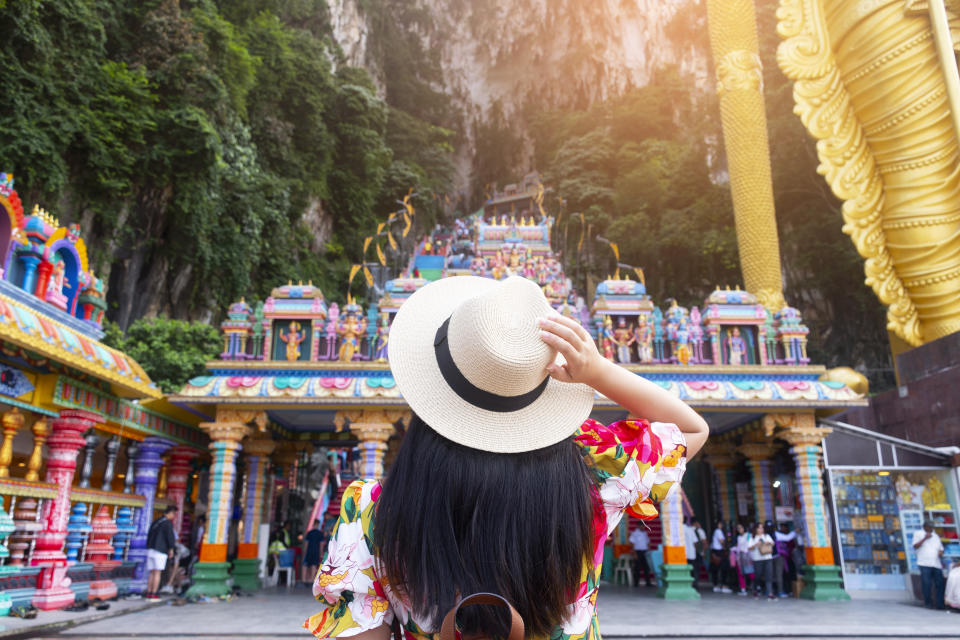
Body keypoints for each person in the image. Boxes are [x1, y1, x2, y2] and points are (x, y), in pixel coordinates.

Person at [304, 275, 709, 640]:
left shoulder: (372, 511)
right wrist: (598, 371)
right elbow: (692, 429)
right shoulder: (596, 480)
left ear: (431, 393)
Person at [145, 505, 177, 600]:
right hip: (160, 550)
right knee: (157, 572)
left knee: (152, 572)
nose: (174, 516)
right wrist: (171, 549)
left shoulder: (156, 522)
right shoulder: (167, 523)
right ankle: (154, 593)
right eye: (174, 514)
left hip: (150, 549)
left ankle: (148, 592)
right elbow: (170, 537)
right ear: (171, 513)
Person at [913, 520, 946, 609]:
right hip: (924, 562)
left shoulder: (935, 536)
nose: (931, 528)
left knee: (939, 584)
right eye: (929, 527)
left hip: (936, 563)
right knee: (926, 583)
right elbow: (915, 546)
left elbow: (941, 548)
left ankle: (940, 604)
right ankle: (928, 603)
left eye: (932, 527)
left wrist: (941, 552)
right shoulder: (918, 533)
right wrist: (925, 538)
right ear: (925, 526)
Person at [748, 522, 776, 600]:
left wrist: (768, 542)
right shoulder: (752, 537)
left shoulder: (766, 536)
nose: (761, 529)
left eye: (762, 528)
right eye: (759, 528)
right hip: (757, 559)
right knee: (758, 575)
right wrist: (756, 544)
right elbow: (749, 548)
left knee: (769, 575)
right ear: (755, 529)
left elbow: (773, 543)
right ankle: (755, 589)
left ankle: (770, 593)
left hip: (768, 557)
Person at [775, 523, 797, 597]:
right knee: (783, 575)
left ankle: (789, 590)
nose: (782, 529)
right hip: (782, 558)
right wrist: (795, 531)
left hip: (788, 558)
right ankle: (785, 590)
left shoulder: (779, 535)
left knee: (786, 574)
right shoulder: (777, 535)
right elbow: (788, 538)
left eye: (784, 527)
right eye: (781, 527)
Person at [710, 522, 731, 593]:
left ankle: (716, 585)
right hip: (719, 552)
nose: (721, 525)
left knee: (715, 569)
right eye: (720, 524)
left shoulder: (714, 532)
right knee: (724, 568)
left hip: (714, 552)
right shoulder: (718, 531)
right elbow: (721, 541)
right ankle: (724, 585)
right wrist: (725, 548)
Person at [302, 519, 326, 584]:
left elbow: (306, 543)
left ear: (313, 525)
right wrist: (321, 553)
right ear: (318, 525)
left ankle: (304, 580)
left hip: (309, 551)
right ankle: (312, 579)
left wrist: (305, 551)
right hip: (316, 551)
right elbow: (321, 545)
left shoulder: (309, 533)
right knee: (314, 565)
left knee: (306, 565)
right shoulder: (320, 534)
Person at [734, 523, 753, 596]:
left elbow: (749, 545)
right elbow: (738, 547)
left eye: (741, 528)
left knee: (750, 572)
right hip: (740, 556)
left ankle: (756, 586)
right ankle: (743, 589)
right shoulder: (738, 537)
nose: (739, 530)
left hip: (747, 556)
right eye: (738, 528)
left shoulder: (748, 535)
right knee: (740, 573)